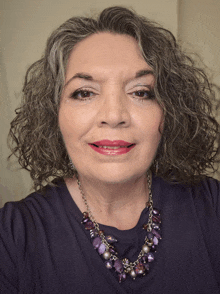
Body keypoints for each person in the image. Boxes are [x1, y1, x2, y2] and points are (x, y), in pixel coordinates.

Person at [1, 6, 220, 294]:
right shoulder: (13, 236)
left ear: (169, 112)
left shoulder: (212, 206)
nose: (114, 115)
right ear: (54, 113)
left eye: (141, 92)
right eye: (84, 93)